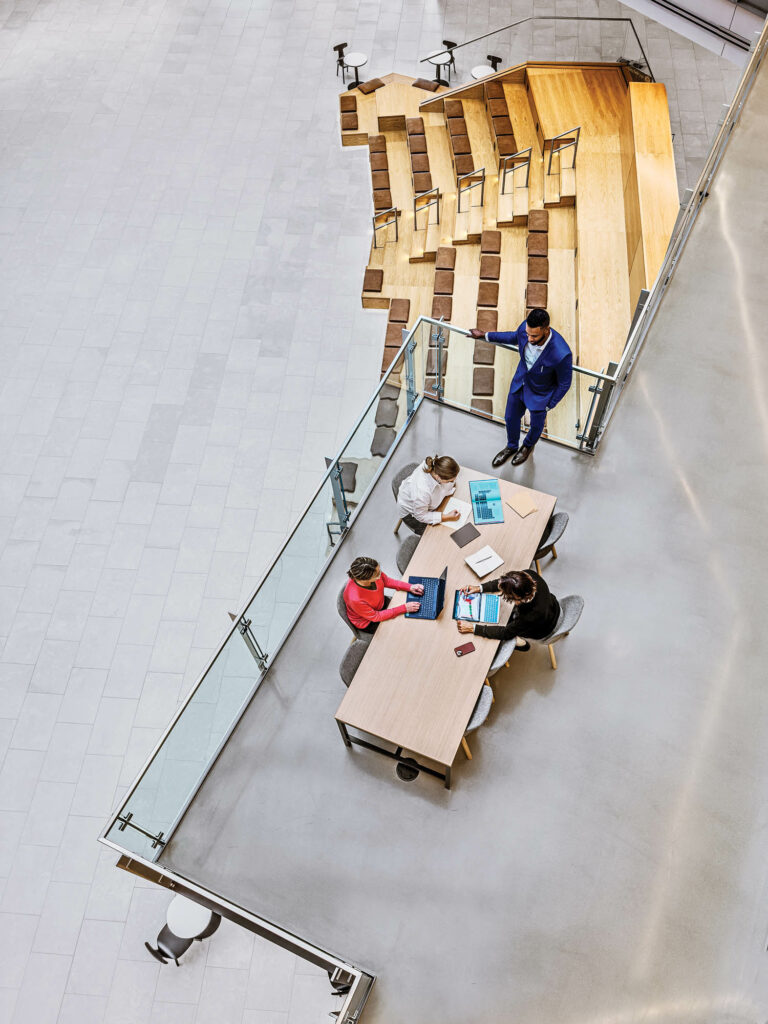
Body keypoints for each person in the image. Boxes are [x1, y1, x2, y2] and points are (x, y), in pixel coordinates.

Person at [470, 307, 572, 467]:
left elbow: (565, 383)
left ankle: (527, 446)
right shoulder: (526, 329)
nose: (529, 338)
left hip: (541, 395)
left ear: (547, 330)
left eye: (534, 336)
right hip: (520, 384)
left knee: (536, 426)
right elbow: (513, 336)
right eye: (528, 333)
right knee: (510, 418)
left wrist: (549, 404)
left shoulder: (561, 353)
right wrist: (485, 335)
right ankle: (511, 447)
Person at [456, 569, 559, 647]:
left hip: (543, 628)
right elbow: (505, 583)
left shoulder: (530, 615)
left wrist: (473, 628)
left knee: (503, 627)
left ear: (518, 598)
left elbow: (505, 633)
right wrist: (480, 588)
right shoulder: (528, 576)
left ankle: (522, 644)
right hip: (552, 605)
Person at [343, 556, 423, 634]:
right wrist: (404, 608)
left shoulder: (374, 571)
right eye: (377, 574)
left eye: (379, 570)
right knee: (401, 629)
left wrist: (410, 587)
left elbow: (387, 581)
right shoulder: (355, 599)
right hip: (369, 621)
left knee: (412, 617)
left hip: (379, 604)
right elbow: (376, 617)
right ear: (365, 580)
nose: (380, 574)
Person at [396, 454, 461, 535]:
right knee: (439, 535)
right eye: (450, 481)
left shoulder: (438, 463)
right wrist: (447, 517)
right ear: (438, 477)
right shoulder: (422, 492)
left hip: (425, 502)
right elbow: (421, 516)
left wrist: (450, 481)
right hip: (412, 514)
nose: (453, 482)